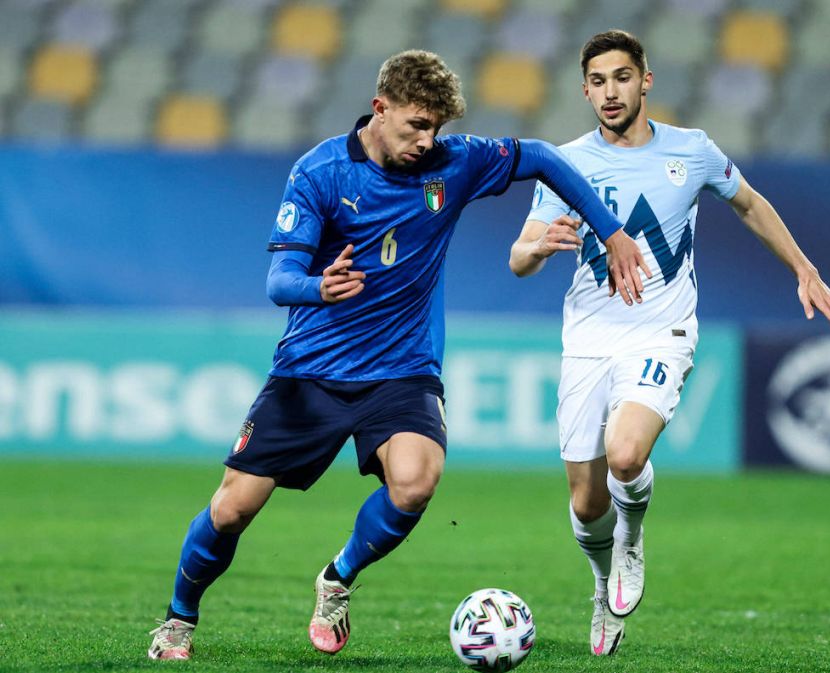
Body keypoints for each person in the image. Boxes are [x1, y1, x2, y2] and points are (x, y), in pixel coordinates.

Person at [147, 49, 651, 661]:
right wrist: (317, 287)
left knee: (415, 483)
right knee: (230, 509)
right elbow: (280, 279)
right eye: (417, 125)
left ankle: (337, 578)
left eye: (436, 127)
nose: (427, 139)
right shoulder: (322, 172)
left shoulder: (453, 163)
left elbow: (543, 156)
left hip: (403, 371)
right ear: (380, 108)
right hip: (311, 371)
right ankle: (179, 618)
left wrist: (611, 230)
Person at [509, 30, 830, 656]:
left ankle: (633, 540)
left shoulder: (692, 151)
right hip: (588, 337)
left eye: (621, 77)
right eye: (597, 81)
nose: (609, 91)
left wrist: (803, 269)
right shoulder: (564, 162)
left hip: (661, 331)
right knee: (587, 504)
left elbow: (749, 204)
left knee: (625, 455)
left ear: (645, 80)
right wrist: (534, 247)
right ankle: (602, 581)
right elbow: (519, 258)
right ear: (584, 89)